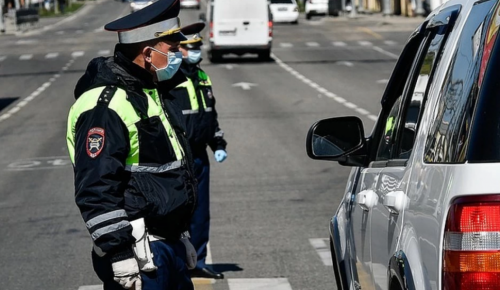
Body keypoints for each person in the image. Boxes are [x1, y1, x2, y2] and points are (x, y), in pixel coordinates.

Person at [66, 1, 199, 289]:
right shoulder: (106, 105)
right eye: (172, 49)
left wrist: (181, 234)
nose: (178, 54)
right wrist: (119, 251)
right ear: (148, 53)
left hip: (166, 244)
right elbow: (96, 186)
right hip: (140, 252)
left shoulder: (151, 92)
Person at [169, 22, 227, 280]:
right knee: (179, 211)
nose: (196, 51)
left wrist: (218, 144)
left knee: (201, 211)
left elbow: (209, 115)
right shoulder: (171, 77)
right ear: (179, 49)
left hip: (200, 154)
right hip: (180, 156)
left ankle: (199, 261)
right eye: (191, 47)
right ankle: (179, 262)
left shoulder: (202, 76)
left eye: (198, 47)